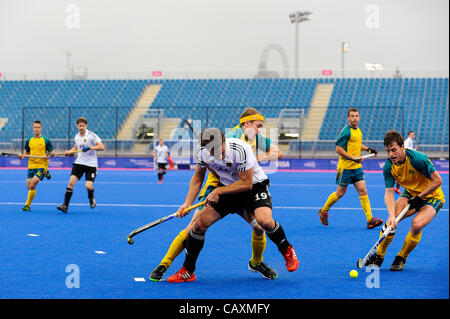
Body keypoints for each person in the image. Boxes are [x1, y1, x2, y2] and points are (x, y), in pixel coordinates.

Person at [150, 108, 283, 281]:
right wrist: (187, 202)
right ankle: (164, 264)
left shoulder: (255, 138)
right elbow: (202, 172)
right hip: (217, 186)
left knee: (259, 227)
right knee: (194, 226)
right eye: (257, 126)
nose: (259, 129)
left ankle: (256, 262)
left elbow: (277, 153)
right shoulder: (232, 136)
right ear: (246, 124)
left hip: (243, 187)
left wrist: (252, 160)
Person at [166, 128, 298, 283]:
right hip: (227, 188)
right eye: (213, 153)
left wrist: (218, 191)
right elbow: (198, 176)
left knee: (265, 222)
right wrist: (187, 203)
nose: (218, 156)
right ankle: (188, 270)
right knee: (198, 226)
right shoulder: (201, 152)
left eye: (220, 151)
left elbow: (246, 184)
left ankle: (286, 248)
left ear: (224, 141)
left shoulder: (240, 149)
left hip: (254, 186)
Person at [365, 130, 444, 271]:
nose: (391, 154)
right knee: (391, 222)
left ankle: (402, 257)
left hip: (432, 196)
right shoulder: (389, 166)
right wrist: (391, 215)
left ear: (402, 147)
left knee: (416, 225)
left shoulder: (418, 159)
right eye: (388, 151)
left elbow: (438, 181)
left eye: (394, 150)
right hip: (411, 193)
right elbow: (389, 192)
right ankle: (379, 255)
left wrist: (419, 198)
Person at [318, 108, 383, 229]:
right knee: (340, 193)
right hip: (345, 168)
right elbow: (338, 149)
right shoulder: (346, 132)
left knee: (363, 190)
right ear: (348, 118)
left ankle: (370, 220)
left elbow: (357, 144)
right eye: (352, 116)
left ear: (359, 118)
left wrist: (368, 149)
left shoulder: (358, 131)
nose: (354, 118)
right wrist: (352, 158)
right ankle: (323, 211)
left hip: (356, 167)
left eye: (356, 116)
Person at [57, 117, 105, 213]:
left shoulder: (91, 135)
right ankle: (65, 206)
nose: (81, 127)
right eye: (80, 126)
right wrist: (69, 152)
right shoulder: (76, 136)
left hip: (91, 165)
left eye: (83, 125)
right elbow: (76, 147)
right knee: (70, 183)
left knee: (88, 186)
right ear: (77, 126)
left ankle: (91, 198)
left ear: (86, 126)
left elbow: (101, 147)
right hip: (79, 163)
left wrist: (90, 148)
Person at [18, 120, 54, 211]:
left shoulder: (46, 140)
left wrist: (48, 155)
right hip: (31, 165)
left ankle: (27, 205)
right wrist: (21, 156)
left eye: (38, 127)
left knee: (33, 184)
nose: (36, 129)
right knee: (29, 186)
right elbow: (27, 153)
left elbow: (52, 153)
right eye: (35, 127)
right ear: (32, 128)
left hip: (41, 165)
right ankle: (46, 173)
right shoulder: (29, 140)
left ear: (41, 128)